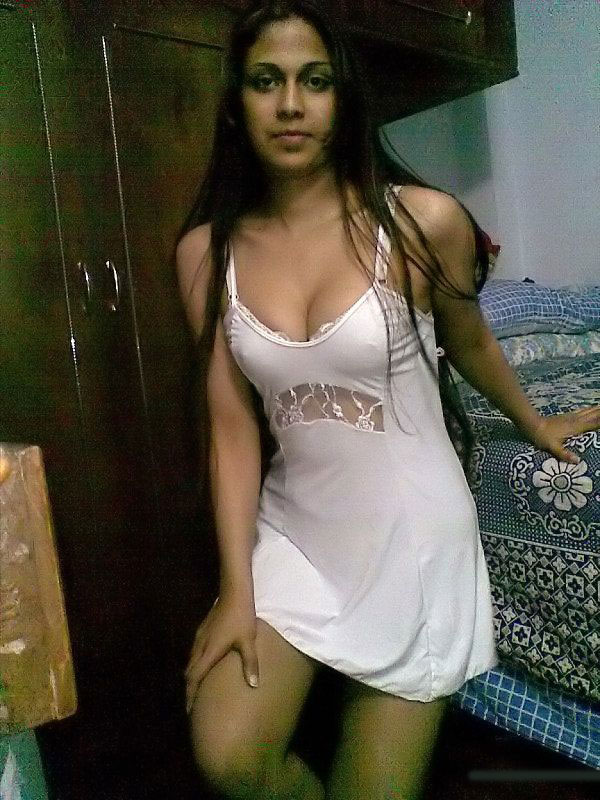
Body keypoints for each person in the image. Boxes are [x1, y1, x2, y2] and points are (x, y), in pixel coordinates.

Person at [175, 2, 600, 798]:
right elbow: (231, 429)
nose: (291, 103)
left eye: (315, 80)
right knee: (229, 753)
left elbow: (470, 341)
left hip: (414, 543)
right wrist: (237, 589)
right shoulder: (205, 253)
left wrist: (536, 420)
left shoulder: (420, 222)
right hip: (295, 536)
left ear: (344, 98)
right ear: (236, 103)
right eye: (266, 81)